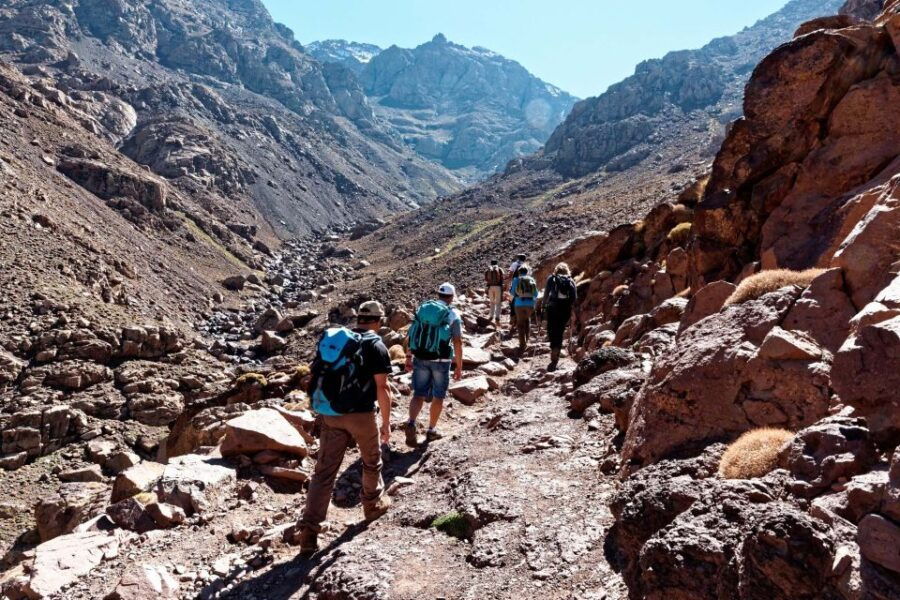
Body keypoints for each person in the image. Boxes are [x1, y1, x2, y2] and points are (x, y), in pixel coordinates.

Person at [292, 300, 394, 555]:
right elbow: (382, 388)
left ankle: (309, 534)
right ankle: (372, 506)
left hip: (331, 414)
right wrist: (386, 424)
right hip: (360, 414)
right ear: (379, 320)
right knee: (372, 462)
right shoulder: (376, 345)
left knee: (324, 473)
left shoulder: (337, 340)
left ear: (359, 318)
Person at [404, 282, 464, 446]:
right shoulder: (452, 314)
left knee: (418, 394)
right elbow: (457, 341)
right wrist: (459, 366)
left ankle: (411, 423)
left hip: (420, 357)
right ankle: (431, 430)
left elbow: (412, 333)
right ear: (451, 297)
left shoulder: (423, 310)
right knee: (438, 396)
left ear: (438, 295)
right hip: (441, 361)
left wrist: (408, 357)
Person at [541, 262, 578, 371]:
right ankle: (557, 349)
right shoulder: (570, 280)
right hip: (565, 309)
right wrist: (571, 309)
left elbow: (546, 294)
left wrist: (543, 306)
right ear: (567, 270)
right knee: (560, 330)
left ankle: (553, 348)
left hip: (552, 307)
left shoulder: (551, 279)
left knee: (551, 329)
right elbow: (574, 297)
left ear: (556, 270)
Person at [510, 266, 539, 354]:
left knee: (520, 324)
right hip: (530, 304)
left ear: (519, 272)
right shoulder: (531, 279)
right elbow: (536, 293)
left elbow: (511, 292)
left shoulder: (516, 279)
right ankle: (527, 340)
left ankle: (522, 345)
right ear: (527, 272)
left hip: (519, 304)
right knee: (527, 320)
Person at [507, 254, 527, 332]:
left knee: (512, 304)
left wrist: (508, 285)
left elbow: (510, 274)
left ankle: (513, 322)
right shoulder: (526, 266)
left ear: (518, 258)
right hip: (524, 290)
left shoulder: (514, 264)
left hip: (514, 288)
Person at [484, 259, 504, 324]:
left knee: (492, 302)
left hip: (490, 287)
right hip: (498, 287)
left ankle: (491, 316)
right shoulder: (500, 269)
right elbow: (502, 278)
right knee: (498, 303)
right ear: (497, 263)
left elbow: (486, 279)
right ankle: (497, 317)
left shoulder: (488, 270)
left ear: (491, 263)